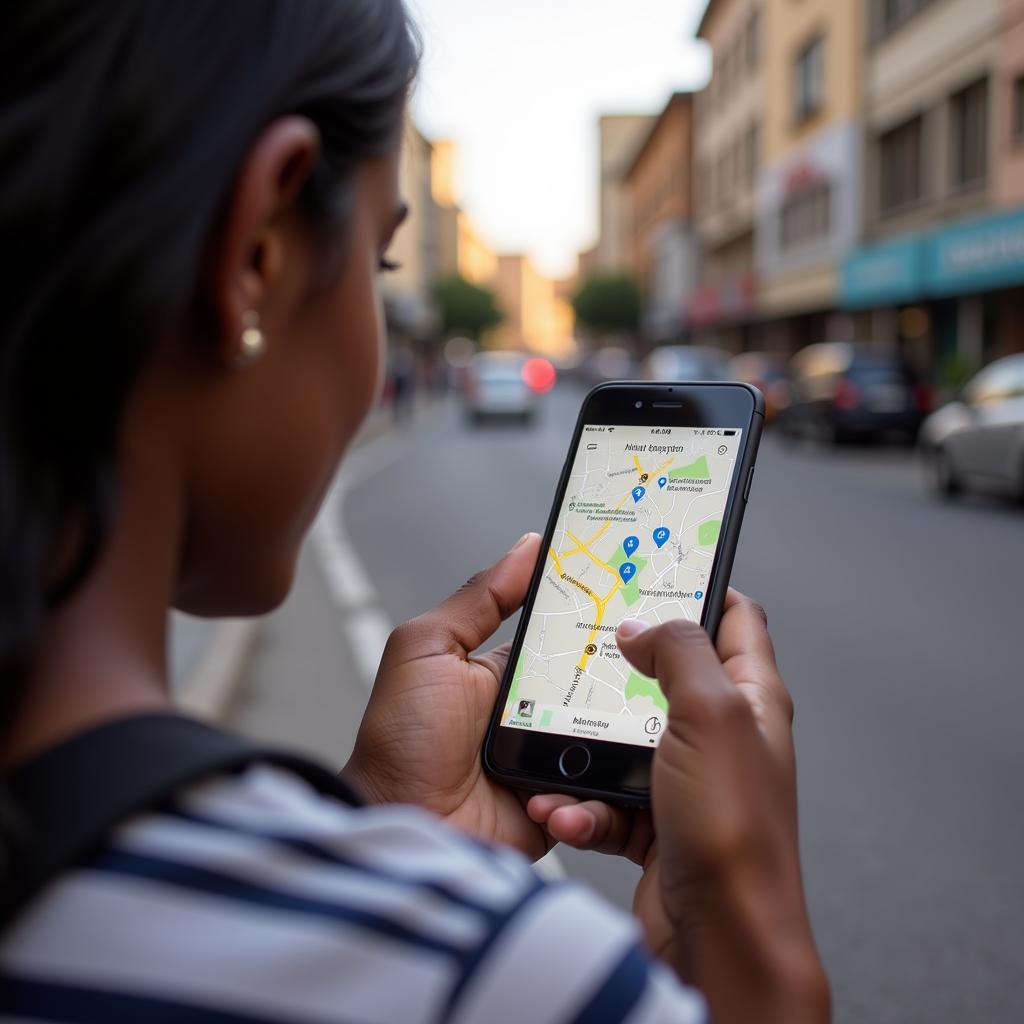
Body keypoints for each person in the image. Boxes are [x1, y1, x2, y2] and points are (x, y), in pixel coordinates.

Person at [0, 2, 830, 1022]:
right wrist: (750, 933)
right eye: (380, 260)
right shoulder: (493, 977)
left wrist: (383, 826)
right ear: (259, 251)